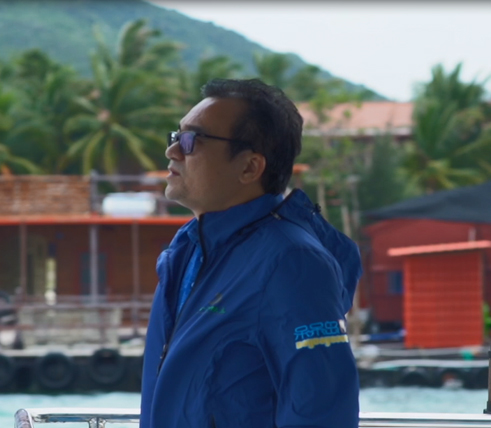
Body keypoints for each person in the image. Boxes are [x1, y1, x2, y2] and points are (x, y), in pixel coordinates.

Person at [140, 79, 362, 428]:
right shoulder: (184, 253)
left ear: (249, 167)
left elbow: (321, 412)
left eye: (192, 140)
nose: (172, 151)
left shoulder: (293, 262)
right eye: (175, 136)